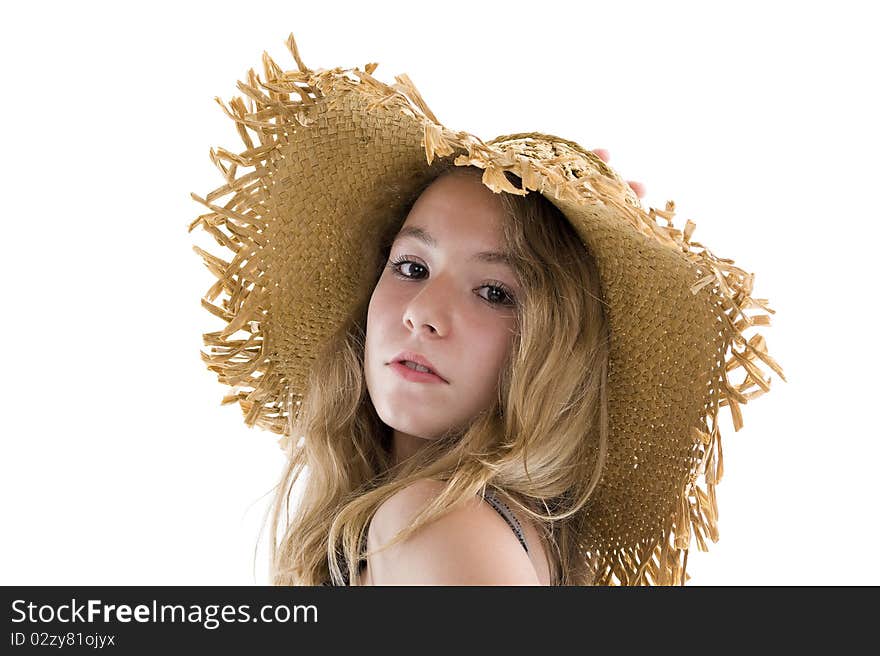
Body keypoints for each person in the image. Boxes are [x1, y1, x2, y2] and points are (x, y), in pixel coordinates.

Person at [189, 34, 784, 586]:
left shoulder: (433, 521)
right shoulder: (484, 523)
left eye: (496, 292)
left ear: (558, 347)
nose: (423, 312)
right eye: (412, 268)